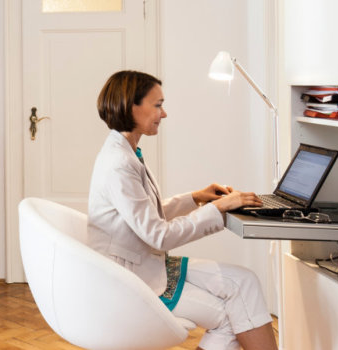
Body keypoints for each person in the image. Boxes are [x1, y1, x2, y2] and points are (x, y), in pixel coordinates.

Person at [86, 70, 277, 350]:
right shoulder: (119, 164)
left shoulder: (127, 152)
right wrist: (220, 209)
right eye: (158, 105)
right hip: (132, 281)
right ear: (131, 107)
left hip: (144, 265)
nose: (164, 114)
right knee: (229, 318)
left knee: (244, 281)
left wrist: (196, 198)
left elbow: (144, 214)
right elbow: (158, 236)